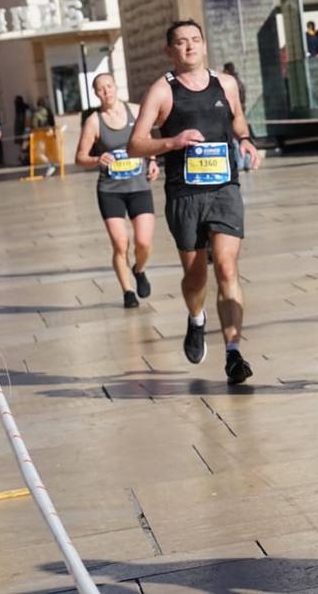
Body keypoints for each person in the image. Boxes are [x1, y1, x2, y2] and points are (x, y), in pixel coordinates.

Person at [128, 20, 262, 385]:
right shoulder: (162, 91)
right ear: (169, 51)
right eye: (181, 43)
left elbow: (236, 118)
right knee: (196, 274)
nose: (189, 47)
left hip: (224, 189)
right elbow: (135, 144)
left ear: (204, 45)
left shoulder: (226, 84)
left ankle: (234, 352)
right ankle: (196, 318)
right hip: (185, 194)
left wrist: (247, 140)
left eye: (195, 40)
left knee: (226, 266)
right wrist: (172, 142)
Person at [74, 73, 161, 309]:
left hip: (138, 186)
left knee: (143, 242)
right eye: (101, 89)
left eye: (109, 86)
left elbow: (148, 139)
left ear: (116, 86)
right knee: (120, 244)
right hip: (110, 190)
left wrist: (152, 160)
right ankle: (128, 292)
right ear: (95, 93)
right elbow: (80, 157)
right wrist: (96, 159)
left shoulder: (135, 110)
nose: (106, 92)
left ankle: (139, 269)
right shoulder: (94, 121)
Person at [32, 96, 58, 176]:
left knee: (39, 153)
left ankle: (50, 165)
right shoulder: (49, 111)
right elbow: (53, 123)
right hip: (50, 134)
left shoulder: (37, 114)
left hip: (41, 136)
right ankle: (51, 165)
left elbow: (34, 125)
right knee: (48, 152)